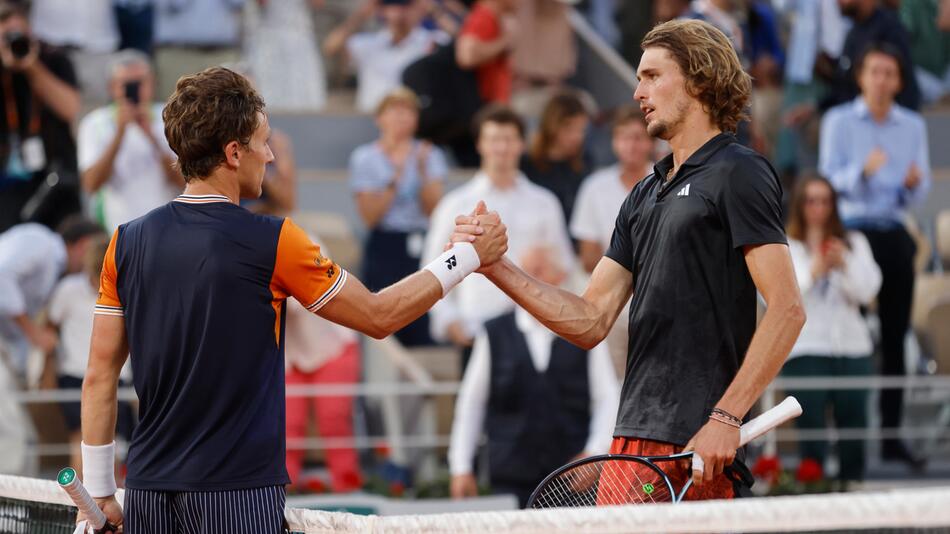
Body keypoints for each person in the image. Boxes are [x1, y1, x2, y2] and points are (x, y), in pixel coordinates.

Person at [79, 67, 507, 533]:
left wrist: (100, 492)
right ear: (233, 152)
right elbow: (379, 315)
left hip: (147, 493)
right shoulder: (274, 239)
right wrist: (466, 257)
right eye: (263, 143)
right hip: (238, 493)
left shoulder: (124, 242)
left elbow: (100, 376)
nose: (269, 156)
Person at [451, 20, 805, 497]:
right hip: (631, 433)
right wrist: (495, 266)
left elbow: (787, 309)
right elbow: (590, 320)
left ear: (699, 79)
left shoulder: (738, 171)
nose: (638, 91)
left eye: (652, 75)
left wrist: (726, 416)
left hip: (697, 439)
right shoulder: (642, 194)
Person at [819, 43, 931, 469]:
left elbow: (915, 194)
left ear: (899, 81)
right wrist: (862, 172)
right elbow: (828, 181)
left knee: (896, 333)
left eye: (890, 73)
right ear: (862, 77)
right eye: (875, 72)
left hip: (893, 228)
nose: (882, 80)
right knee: (843, 332)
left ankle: (890, 433)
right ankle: (838, 434)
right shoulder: (839, 120)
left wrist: (912, 183)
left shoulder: (913, 125)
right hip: (851, 232)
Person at [448, 245, 619, 507]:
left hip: (571, 479)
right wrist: (461, 466)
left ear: (560, 277)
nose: (528, 279)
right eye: (524, 271)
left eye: (538, 271)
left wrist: (595, 453)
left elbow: (607, 397)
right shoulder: (493, 333)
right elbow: (472, 403)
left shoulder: (584, 331)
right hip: (508, 477)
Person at [423, 104, 573, 369]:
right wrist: (451, 323)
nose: (501, 149)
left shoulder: (545, 202)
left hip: (535, 332)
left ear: (520, 144)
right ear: (480, 144)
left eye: (508, 140)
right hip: (476, 331)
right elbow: (432, 270)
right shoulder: (454, 204)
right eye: (494, 140)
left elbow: (564, 266)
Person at [781, 176, 881, 487]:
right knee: (810, 425)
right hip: (806, 347)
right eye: (811, 200)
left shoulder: (854, 241)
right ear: (800, 205)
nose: (818, 208)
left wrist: (845, 263)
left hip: (852, 346)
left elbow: (868, 291)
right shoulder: (787, 245)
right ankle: (814, 489)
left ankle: (852, 487)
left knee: (854, 422)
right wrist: (816, 269)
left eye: (825, 200)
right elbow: (783, 297)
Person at [351, 88, 447, 347]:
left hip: (421, 240)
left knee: (423, 312)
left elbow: (435, 211)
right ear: (379, 118)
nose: (402, 118)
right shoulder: (365, 158)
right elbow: (370, 216)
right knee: (383, 311)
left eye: (408, 111)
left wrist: (423, 171)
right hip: (385, 242)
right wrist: (396, 175)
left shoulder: (430, 155)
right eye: (395, 111)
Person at [570, 107, 654, 376]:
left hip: (659, 306)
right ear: (614, 142)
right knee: (613, 390)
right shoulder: (595, 187)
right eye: (625, 137)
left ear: (651, 141)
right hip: (612, 307)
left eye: (639, 137)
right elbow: (587, 256)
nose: (632, 145)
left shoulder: (668, 180)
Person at [45, 233, 136, 477]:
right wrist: (47, 371)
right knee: (83, 442)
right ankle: (81, 508)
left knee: (115, 447)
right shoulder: (67, 290)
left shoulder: (129, 288)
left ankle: (112, 511)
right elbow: (49, 330)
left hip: (120, 378)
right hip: (76, 377)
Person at [79, 49, 183, 232]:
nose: (135, 91)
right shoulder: (95, 123)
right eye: (127, 84)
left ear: (152, 83)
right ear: (112, 87)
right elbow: (91, 184)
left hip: (168, 231)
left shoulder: (172, 117)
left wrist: (151, 136)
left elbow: (186, 181)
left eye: (140, 82)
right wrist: (119, 134)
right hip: (117, 233)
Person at [0, 2, 81, 233]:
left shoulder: (52, 57)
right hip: (8, 183)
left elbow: (70, 108)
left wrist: (32, 67)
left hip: (55, 176)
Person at [0, 217, 102, 382]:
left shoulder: (57, 271)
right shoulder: (40, 241)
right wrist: (34, 333)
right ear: (85, 244)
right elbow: (2, 275)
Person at [284, 280, 363, 493]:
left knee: (334, 420)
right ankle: (281, 494)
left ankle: (348, 490)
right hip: (286, 354)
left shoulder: (309, 246)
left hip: (333, 348)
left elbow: (310, 293)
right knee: (286, 426)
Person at [324, 0, 445, 113]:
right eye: (393, 5)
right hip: (370, 117)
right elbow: (330, 47)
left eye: (407, 5)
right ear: (382, 10)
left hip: (414, 120)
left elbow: (460, 49)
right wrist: (361, 14)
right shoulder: (367, 43)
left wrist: (434, 11)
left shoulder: (432, 41)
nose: (400, 12)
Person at [824, 0, 920, 110]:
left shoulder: (889, 29)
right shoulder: (853, 32)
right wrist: (817, 107)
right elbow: (843, 84)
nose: (839, 2)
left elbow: (904, 86)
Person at [521, 90, 593, 226]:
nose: (576, 137)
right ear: (552, 125)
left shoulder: (584, 162)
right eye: (569, 128)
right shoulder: (527, 164)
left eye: (581, 130)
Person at [244, 0, 328, 111]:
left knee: (305, 100)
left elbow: (319, 3)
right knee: (267, 98)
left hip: (299, 38)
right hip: (270, 38)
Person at [153, 0, 243, 100]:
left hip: (221, 53)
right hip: (178, 53)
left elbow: (239, 4)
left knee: (228, 106)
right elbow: (172, 5)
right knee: (175, 105)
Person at [456, 0, 518, 104]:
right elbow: (466, 56)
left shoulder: (495, 17)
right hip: (483, 103)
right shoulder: (484, 16)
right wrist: (505, 41)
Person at [900, 0, 950, 106]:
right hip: (921, 72)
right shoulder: (912, 4)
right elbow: (901, 36)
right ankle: (942, 97)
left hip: (945, 71)